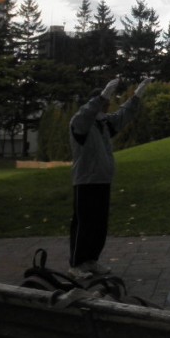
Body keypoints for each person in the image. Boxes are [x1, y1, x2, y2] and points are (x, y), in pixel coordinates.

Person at [69, 76, 151, 277]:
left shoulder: (104, 123)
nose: (107, 105)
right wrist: (102, 95)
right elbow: (86, 113)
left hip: (103, 179)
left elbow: (123, 115)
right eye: (104, 102)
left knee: (99, 224)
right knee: (84, 223)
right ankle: (76, 265)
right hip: (86, 180)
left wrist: (138, 95)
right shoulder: (80, 123)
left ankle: (91, 260)